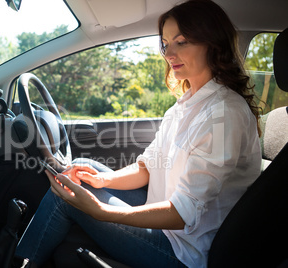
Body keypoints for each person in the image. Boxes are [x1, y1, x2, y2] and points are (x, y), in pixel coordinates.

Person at [15, 0, 262, 267]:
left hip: (184, 251)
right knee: (79, 169)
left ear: (212, 43)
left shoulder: (224, 115)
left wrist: (102, 212)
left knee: (68, 198)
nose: (169, 54)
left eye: (181, 42)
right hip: (170, 230)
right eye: (166, 44)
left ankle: (15, 262)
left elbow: (183, 213)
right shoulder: (187, 104)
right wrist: (101, 181)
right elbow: (147, 168)